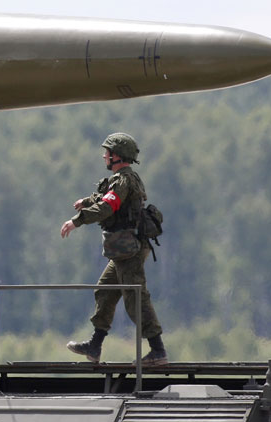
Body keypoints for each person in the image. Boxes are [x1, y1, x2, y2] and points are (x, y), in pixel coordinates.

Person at [60, 133, 167, 366]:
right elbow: (107, 198)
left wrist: (77, 220)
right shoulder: (123, 179)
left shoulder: (123, 179)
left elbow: (108, 206)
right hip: (122, 250)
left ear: (116, 156)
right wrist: (87, 201)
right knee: (105, 291)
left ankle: (158, 351)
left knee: (135, 298)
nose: (104, 156)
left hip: (129, 250)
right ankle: (95, 346)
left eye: (107, 152)